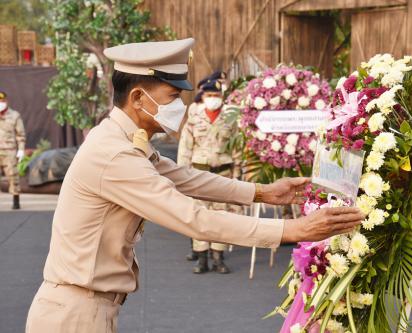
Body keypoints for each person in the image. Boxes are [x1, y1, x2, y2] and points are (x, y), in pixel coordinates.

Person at [25, 38, 364, 332]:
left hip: (86, 307)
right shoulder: (115, 154)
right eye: (172, 95)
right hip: (75, 314)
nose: (180, 106)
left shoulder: (125, 139)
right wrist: (294, 230)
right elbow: (194, 219)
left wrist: (263, 192)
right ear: (139, 97)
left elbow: (185, 177)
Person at [178, 71, 239, 274]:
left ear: (221, 97)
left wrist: (239, 174)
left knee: (221, 216)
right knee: (199, 216)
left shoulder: (230, 119)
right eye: (209, 96)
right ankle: (201, 257)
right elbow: (185, 148)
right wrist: (181, 176)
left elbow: (238, 149)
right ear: (202, 96)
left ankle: (218, 257)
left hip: (222, 174)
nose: (212, 99)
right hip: (199, 174)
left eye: (216, 96)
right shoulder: (194, 119)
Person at [0, 91, 25, 210]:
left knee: (13, 176)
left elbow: (20, 135)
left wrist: (21, 150)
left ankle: (16, 200)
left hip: (9, 151)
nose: (1, 103)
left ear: (6, 101)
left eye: (2, 101)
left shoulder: (14, 115)